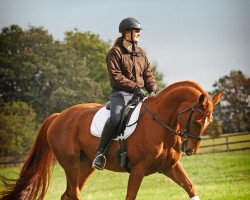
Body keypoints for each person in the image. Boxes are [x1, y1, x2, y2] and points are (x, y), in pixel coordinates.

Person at [92, 17, 157, 170]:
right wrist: (135, 87)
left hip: (140, 94)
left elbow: (148, 73)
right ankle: (100, 154)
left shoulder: (141, 53)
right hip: (121, 94)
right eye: (137, 31)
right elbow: (116, 76)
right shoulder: (114, 53)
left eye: (139, 31)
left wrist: (153, 90)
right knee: (115, 119)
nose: (139, 34)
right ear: (127, 33)